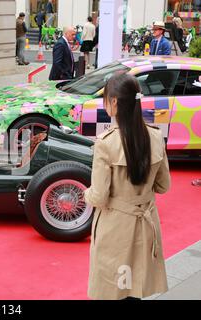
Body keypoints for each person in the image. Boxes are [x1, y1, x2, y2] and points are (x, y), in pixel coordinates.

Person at [84, 73, 170, 300]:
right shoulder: (155, 136)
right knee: (135, 287)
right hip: (145, 222)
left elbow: (99, 196)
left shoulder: (105, 143)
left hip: (116, 226)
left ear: (114, 102)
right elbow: (163, 186)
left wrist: (85, 194)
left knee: (112, 289)